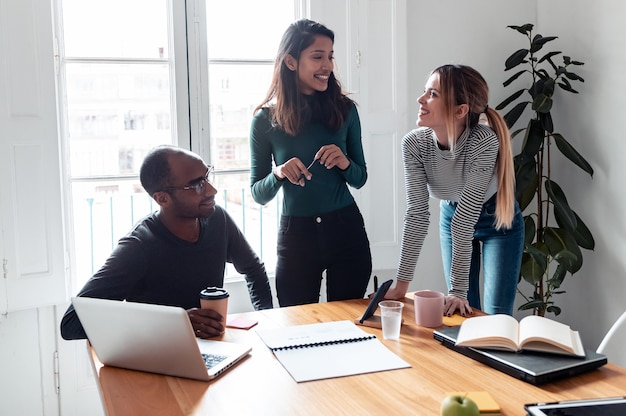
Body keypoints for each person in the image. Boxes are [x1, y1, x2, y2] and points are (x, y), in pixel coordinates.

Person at [60, 145, 273, 340]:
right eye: (197, 185)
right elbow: (71, 324)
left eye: (207, 177)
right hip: (158, 360)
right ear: (162, 199)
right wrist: (174, 323)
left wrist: (266, 323)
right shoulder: (138, 247)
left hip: (215, 350)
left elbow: (253, 269)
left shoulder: (218, 219)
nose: (211, 190)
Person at [249, 19, 372, 306]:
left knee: (349, 325)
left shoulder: (346, 110)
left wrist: (343, 162)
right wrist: (278, 173)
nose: (327, 65)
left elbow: (360, 178)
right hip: (297, 236)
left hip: (346, 230)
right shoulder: (264, 121)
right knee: (296, 326)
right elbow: (258, 193)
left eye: (330, 56)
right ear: (291, 62)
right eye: (317, 57)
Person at [385, 64, 524, 316]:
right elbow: (417, 214)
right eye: (425, 91)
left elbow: (465, 219)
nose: (421, 99)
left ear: (461, 110)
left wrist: (457, 289)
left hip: (498, 219)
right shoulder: (414, 145)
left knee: (496, 315)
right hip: (452, 213)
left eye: (433, 94)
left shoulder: (484, 141)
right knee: (461, 309)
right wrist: (401, 286)